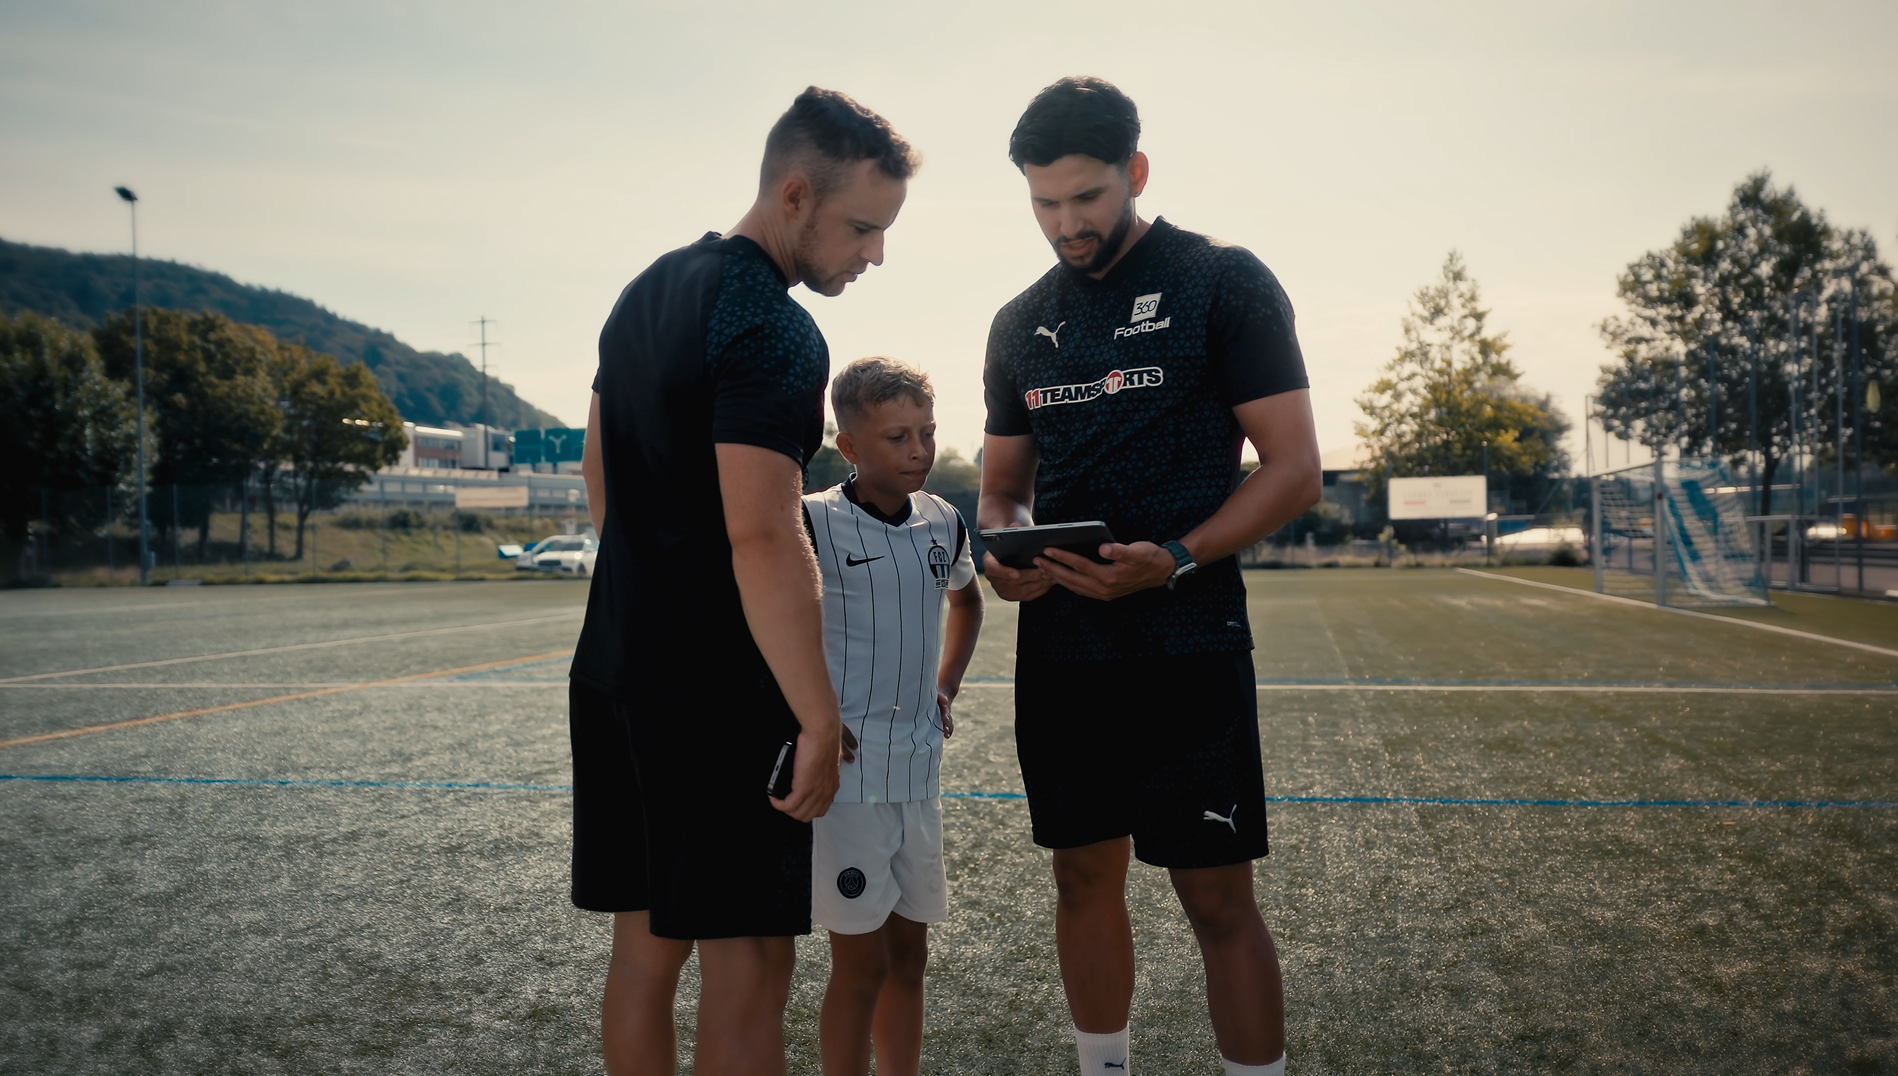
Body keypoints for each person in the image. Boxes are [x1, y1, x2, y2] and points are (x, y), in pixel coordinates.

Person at [570, 87, 918, 1076]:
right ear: (795, 195)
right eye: (862, 226)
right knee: (750, 962)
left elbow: (600, 469)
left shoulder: (646, 288)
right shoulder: (773, 328)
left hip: (613, 662)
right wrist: (815, 716)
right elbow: (763, 535)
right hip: (716, 693)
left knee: (641, 955)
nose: (872, 253)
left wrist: (653, 579)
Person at [977, 77, 1321, 1076]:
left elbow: (1292, 467)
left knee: (1215, 894)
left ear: (1133, 172)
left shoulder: (1223, 280)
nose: (1063, 223)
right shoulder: (1015, 322)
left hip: (1188, 638)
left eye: (1083, 197)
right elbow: (1000, 492)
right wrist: (1009, 559)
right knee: (1082, 877)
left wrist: (1171, 558)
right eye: (1042, 202)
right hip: (1064, 650)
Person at [802, 357, 984, 1076]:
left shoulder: (944, 520)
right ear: (848, 446)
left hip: (919, 770)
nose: (918, 451)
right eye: (896, 437)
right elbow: (769, 621)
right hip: (846, 782)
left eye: (927, 433)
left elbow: (967, 600)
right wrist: (810, 710)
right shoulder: (813, 523)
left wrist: (948, 683)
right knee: (861, 962)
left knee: (910, 956)